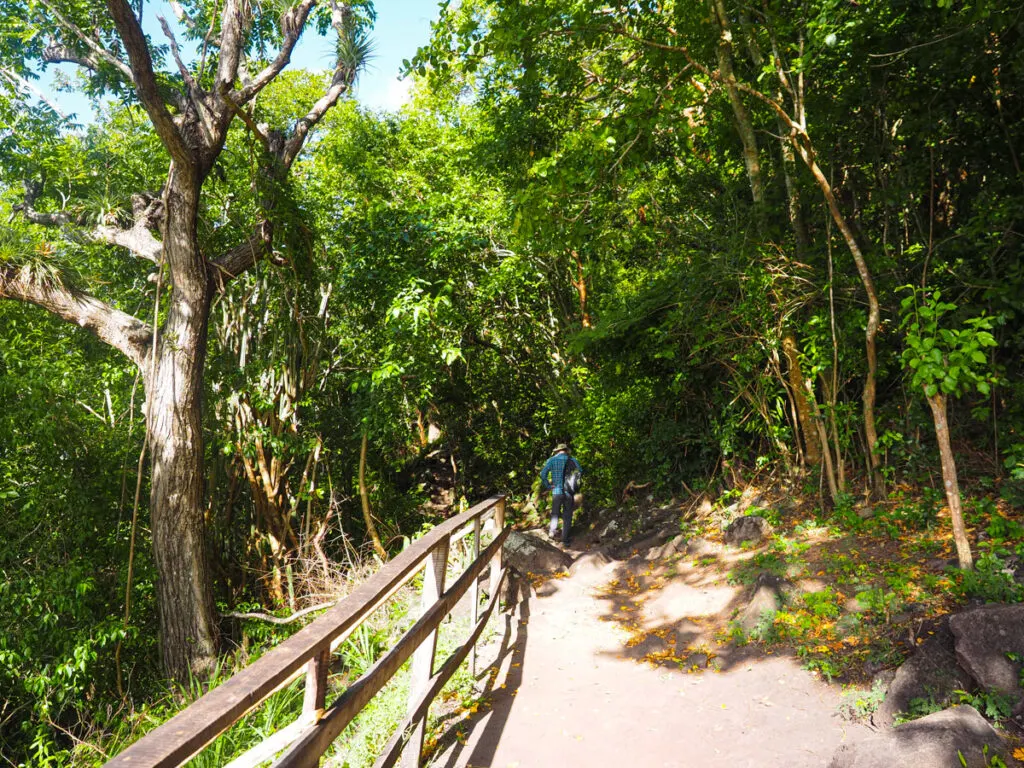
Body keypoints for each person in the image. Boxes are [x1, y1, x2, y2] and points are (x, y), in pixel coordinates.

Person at [539, 443, 582, 545]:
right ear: (566, 450)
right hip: (569, 491)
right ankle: (565, 540)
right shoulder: (572, 460)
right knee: (567, 515)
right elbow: (580, 471)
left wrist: (548, 486)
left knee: (555, 514)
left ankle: (552, 534)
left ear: (557, 451)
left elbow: (543, 474)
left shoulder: (552, 460)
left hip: (556, 491)